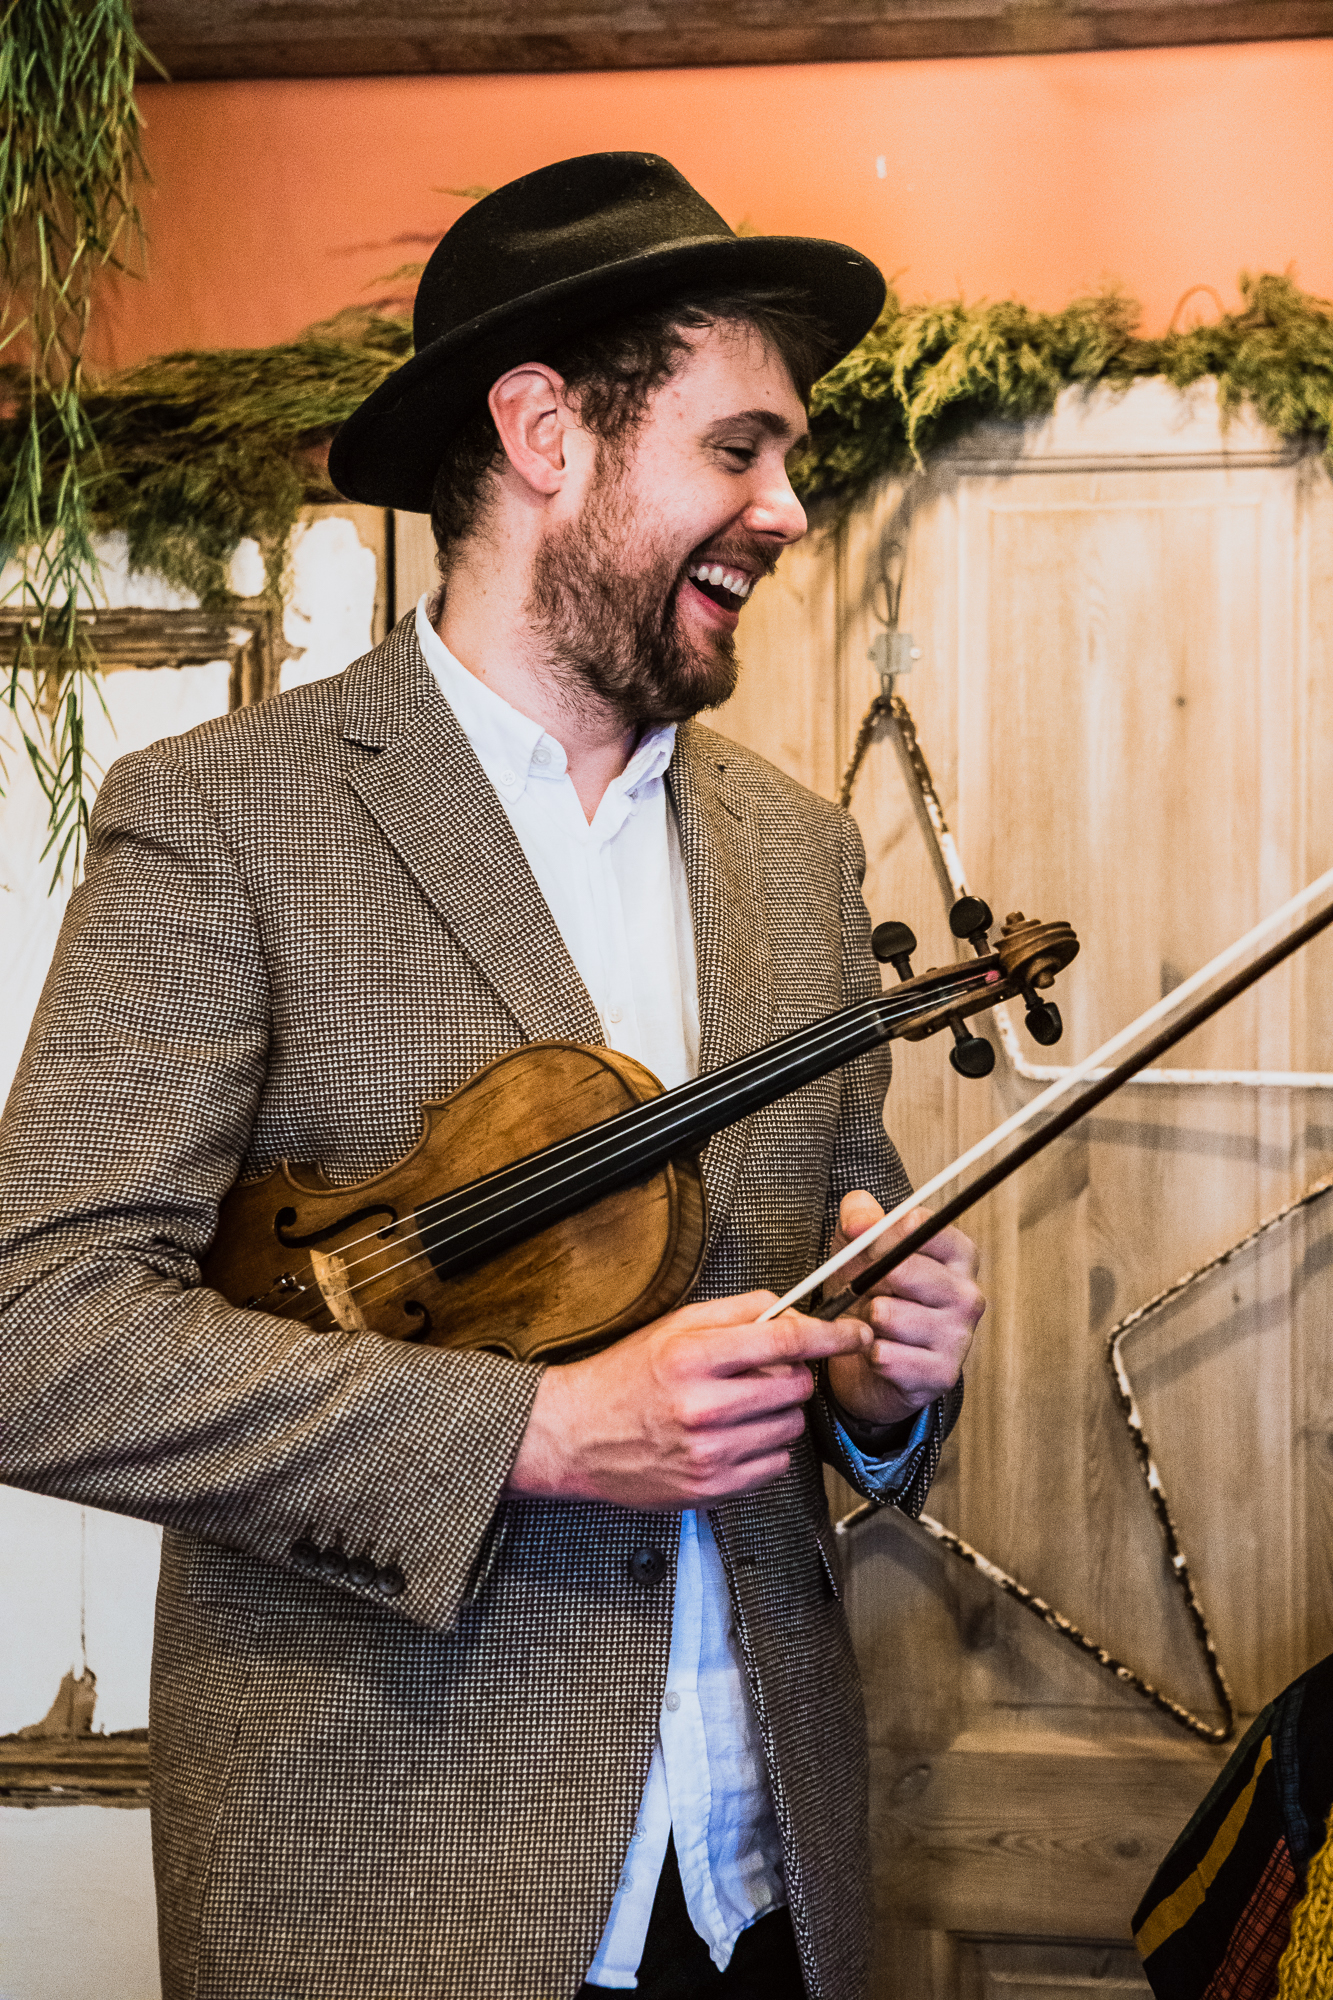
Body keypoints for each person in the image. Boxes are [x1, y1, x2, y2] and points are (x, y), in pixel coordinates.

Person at [0, 153, 983, 1999]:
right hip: (392, 1895)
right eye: (738, 447)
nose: (786, 508)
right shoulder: (227, 818)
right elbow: (34, 1336)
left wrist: (884, 1385)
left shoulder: (796, 852)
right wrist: (536, 1434)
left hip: (766, 1883)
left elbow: (826, 1318)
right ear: (543, 432)